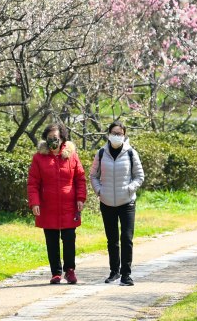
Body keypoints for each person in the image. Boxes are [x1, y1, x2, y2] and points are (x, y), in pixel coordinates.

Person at [27, 123, 87, 284]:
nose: (53, 141)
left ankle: (70, 270)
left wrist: (80, 198)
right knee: (51, 240)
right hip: (48, 206)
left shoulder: (72, 155)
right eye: (50, 138)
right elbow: (33, 183)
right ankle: (56, 272)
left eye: (56, 138)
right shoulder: (39, 158)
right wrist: (34, 203)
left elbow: (80, 178)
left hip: (69, 206)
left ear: (62, 139)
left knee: (69, 239)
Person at [90, 120, 144, 286]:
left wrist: (130, 188)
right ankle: (114, 271)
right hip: (107, 202)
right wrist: (100, 191)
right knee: (112, 239)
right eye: (113, 133)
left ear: (124, 135)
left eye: (119, 133)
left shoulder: (130, 153)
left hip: (126, 202)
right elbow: (93, 176)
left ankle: (126, 275)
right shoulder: (101, 153)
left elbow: (139, 176)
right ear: (108, 134)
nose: (116, 136)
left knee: (126, 238)